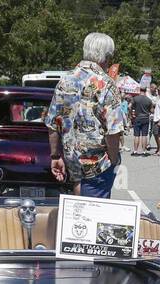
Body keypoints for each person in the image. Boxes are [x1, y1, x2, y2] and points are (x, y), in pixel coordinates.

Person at [45, 32, 126, 198]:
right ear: (106, 58)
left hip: (72, 159)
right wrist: (113, 159)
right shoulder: (106, 85)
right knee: (94, 213)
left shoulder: (65, 80)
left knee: (78, 201)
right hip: (98, 162)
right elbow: (113, 130)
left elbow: (53, 124)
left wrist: (55, 155)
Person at [131, 86, 153, 155]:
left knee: (136, 135)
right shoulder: (149, 100)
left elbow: (129, 107)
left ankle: (135, 151)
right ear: (146, 90)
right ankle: (144, 151)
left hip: (137, 118)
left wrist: (132, 114)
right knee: (144, 135)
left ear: (140, 90)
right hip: (146, 118)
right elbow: (152, 111)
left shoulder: (135, 98)